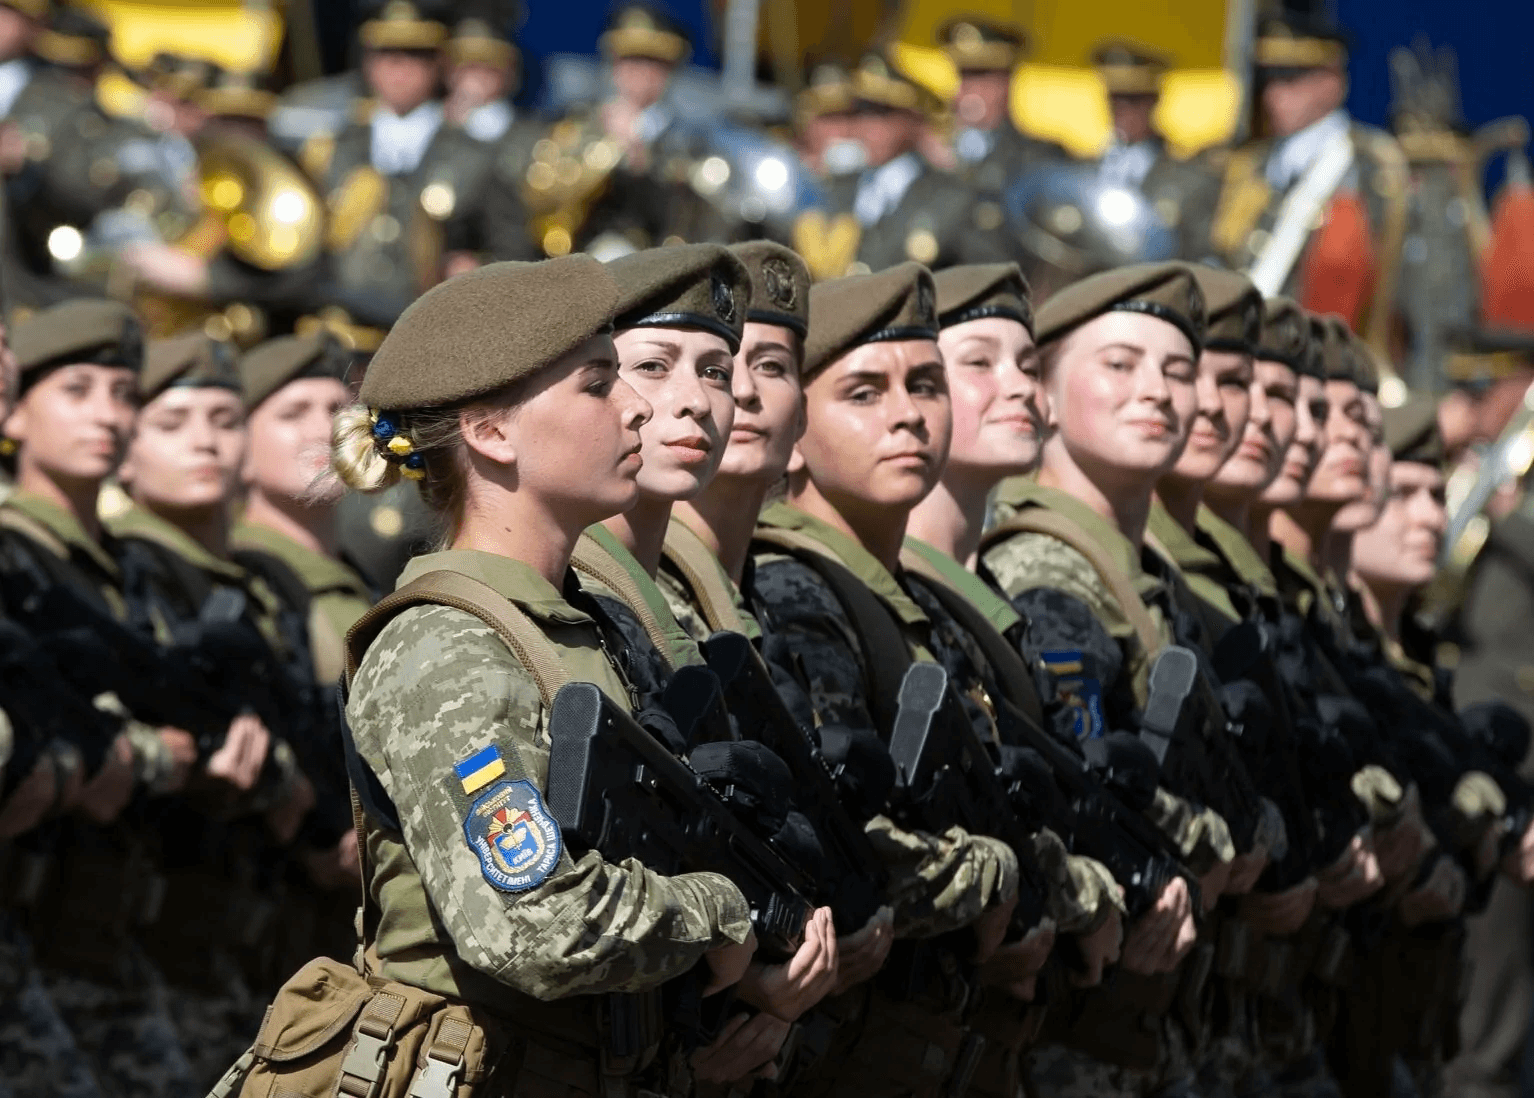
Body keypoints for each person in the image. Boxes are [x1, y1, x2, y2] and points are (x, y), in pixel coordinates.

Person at [309, 255, 768, 1097]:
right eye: (599, 384)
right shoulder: (447, 648)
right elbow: (532, 923)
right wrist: (718, 914)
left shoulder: (581, 623)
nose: (639, 404)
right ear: (490, 431)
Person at [749, 261, 1050, 1098]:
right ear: (796, 431)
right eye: (865, 393)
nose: (908, 416)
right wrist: (1002, 881)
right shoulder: (791, 588)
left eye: (924, 384)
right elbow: (845, 836)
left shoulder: (918, 598)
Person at [974, 262, 1274, 1096]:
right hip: (1084, 1021)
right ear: (1045, 394)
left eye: (1179, 371)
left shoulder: (1142, 575)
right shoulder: (1047, 571)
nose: (1161, 392)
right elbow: (1090, 777)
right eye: (1120, 364)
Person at [0, 300, 197, 1098]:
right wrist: (131, 754)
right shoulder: (17, 552)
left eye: (123, 395)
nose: (108, 417)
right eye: (77, 391)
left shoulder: (137, 566)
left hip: (121, 929)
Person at [1207, 11, 1407, 347]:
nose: (1274, 94)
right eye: (1269, 80)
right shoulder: (1249, 163)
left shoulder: (1372, 163)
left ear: (1332, 83)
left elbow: (1391, 285)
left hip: (1329, 357)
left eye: (1290, 80)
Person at [298, 0, 496, 317]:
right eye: (386, 53)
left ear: (440, 63)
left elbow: (510, 248)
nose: (399, 66)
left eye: (416, 54)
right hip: (339, 328)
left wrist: (479, 268)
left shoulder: (475, 154)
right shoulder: (331, 148)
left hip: (432, 327)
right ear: (367, 62)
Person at [787, 54, 1011, 280]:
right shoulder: (834, 186)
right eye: (860, 111)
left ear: (913, 120)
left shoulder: (950, 195)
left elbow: (982, 279)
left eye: (882, 113)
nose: (867, 125)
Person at [1089, 40, 1219, 262]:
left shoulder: (1191, 181)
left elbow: (1202, 257)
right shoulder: (1086, 171)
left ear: (1153, 101)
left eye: (1133, 100)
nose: (1121, 110)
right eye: (1114, 98)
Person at [936, 17, 1067, 196]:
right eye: (962, 76)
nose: (964, 90)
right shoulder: (936, 154)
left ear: (1006, 82)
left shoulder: (1042, 158)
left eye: (978, 75)